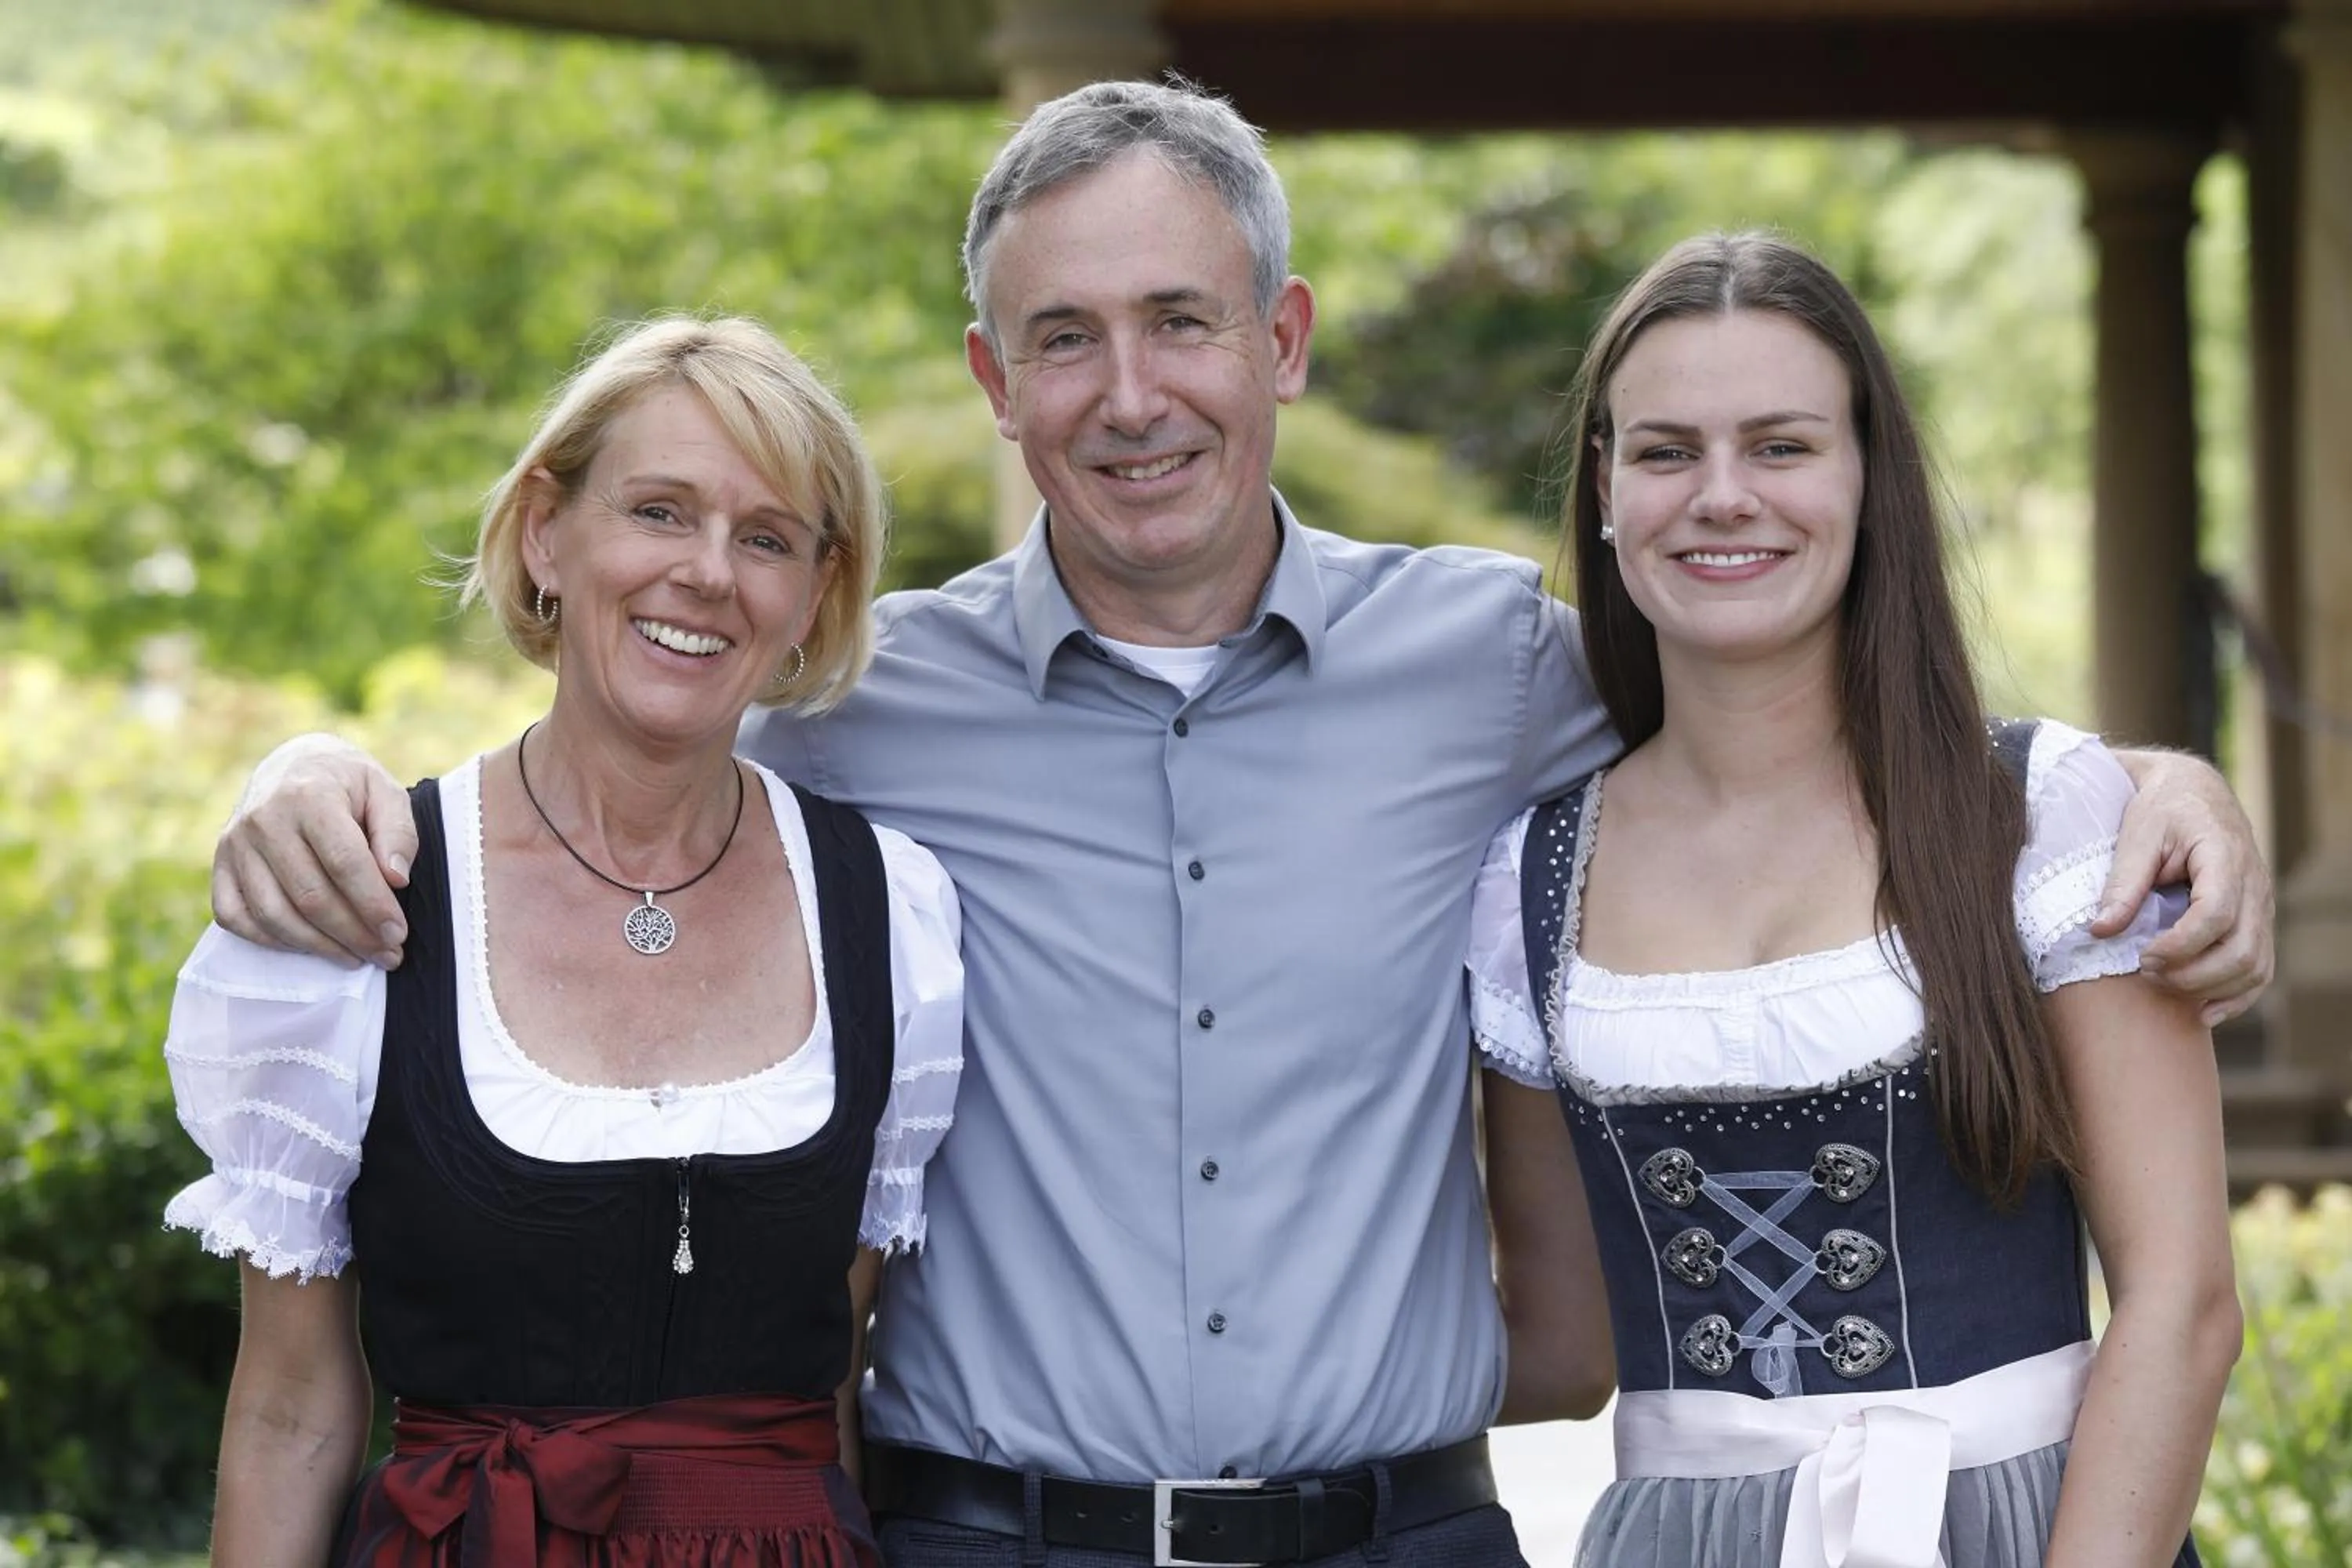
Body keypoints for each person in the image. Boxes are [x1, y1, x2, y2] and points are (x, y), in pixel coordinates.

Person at [209, 82, 2269, 1568]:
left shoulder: (1491, 669)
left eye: (1183, 322)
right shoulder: (856, 713)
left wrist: (2148, 790)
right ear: (990, 384)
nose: (1133, 394)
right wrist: (303, 781)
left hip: (1405, 1540)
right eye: (1065, 338)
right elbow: (603, 744)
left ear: (1279, 343)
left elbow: (1783, 691)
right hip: (993, 1543)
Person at [1469, 233, 2238, 1568]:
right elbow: (1561, 1347)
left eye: (1781, 446)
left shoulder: (2039, 817)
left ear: (1869, 476)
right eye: (1665, 452)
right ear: (1604, 488)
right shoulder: (1527, 881)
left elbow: (2181, 1303)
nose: (1722, 496)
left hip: (2027, 1528)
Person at [163, 315, 964, 1566]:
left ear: (813, 591)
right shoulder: (362, 899)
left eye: (766, 538)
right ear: (546, 531)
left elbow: (831, 1395)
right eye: (658, 511)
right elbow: (288, 1411)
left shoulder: (889, 913)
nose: (707, 573)